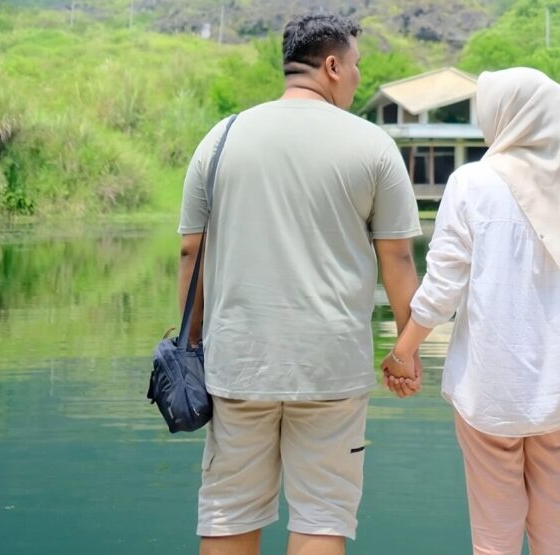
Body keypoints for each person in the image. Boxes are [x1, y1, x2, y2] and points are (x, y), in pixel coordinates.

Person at [176, 10, 421, 555]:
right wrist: (407, 348)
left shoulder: (219, 139)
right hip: (330, 367)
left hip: (238, 363)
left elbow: (192, 250)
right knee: (322, 514)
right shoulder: (373, 146)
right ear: (331, 65)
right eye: (356, 65)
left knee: (228, 512)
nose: (358, 77)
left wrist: (191, 345)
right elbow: (399, 259)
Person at [381, 67, 560, 555]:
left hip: (489, 395)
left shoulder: (470, 183)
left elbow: (443, 287)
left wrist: (403, 352)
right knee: (555, 529)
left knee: (494, 536)